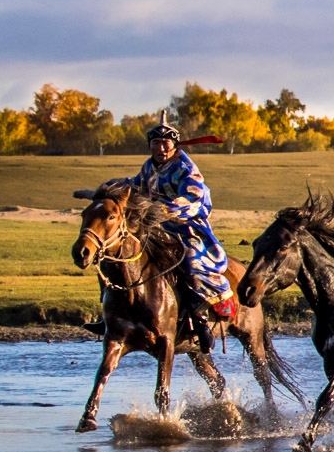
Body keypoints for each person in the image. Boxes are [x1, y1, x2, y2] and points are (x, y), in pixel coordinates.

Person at [90, 117, 236, 345]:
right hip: (153, 226)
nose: (160, 148)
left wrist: (166, 210)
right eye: (156, 143)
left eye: (165, 143)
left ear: (175, 145)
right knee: (116, 253)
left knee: (188, 261)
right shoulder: (149, 167)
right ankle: (112, 314)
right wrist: (106, 189)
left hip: (185, 227)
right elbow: (135, 184)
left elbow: (195, 197)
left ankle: (199, 318)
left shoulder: (185, 168)